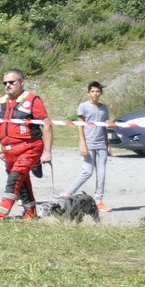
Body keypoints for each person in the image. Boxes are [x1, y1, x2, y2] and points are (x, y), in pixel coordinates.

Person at [0, 69, 52, 220]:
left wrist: (47, 151)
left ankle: (0, 214)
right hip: (8, 151)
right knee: (22, 181)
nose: (8, 85)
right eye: (5, 83)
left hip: (29, 148)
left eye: (12, 82)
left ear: (22, 82)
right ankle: (30, 213)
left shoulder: (32, 99)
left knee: (14, 178)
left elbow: (47, 125)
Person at [62, 81, 111, 210]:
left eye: (97, 91)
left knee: (102, 173)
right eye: (93, 91)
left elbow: (104, 127)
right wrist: (83, 145)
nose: (95, 94)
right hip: (88, 144)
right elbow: (80, 127)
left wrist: (108, 144)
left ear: (101, 93)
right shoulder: (83, 106)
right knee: (87, 172)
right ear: (89, 93)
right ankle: (68, 192)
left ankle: (99, 200)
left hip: (101, 145)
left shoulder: (104, 108)